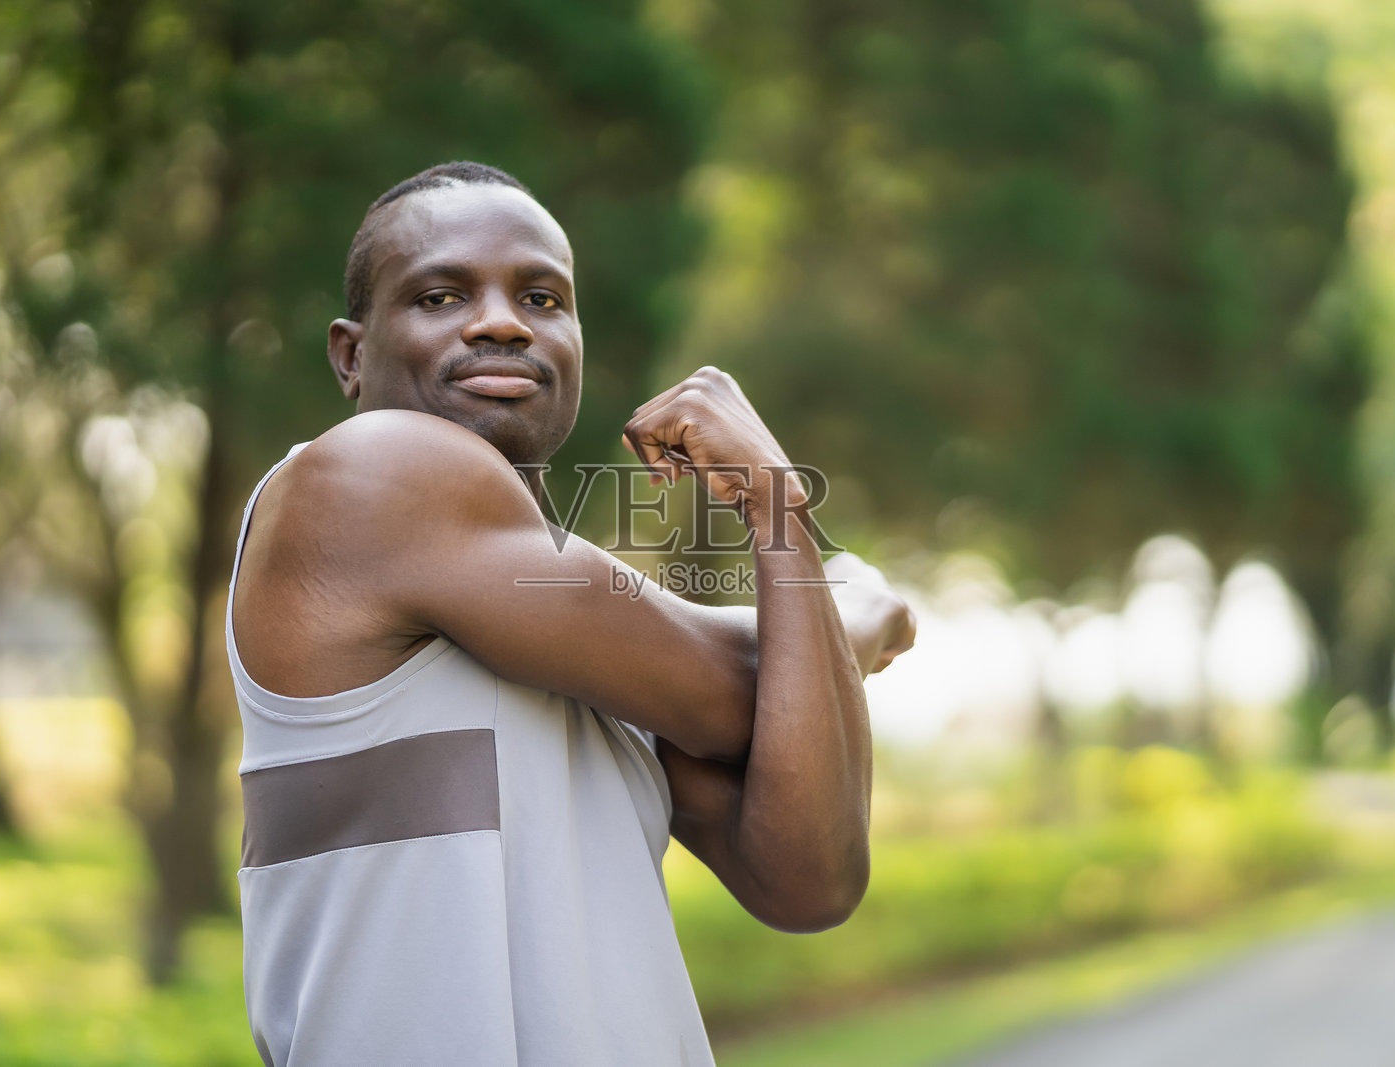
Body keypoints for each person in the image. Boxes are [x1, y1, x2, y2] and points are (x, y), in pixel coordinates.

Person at [225, 161, 915, 1066]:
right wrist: (854, 600)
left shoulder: (585, 647)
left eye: (542, 298)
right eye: (440, 296)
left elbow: (809, 879)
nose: (503, 322)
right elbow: (748, 680)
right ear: (352, 355)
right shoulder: (367, 472)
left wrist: (780, 523)